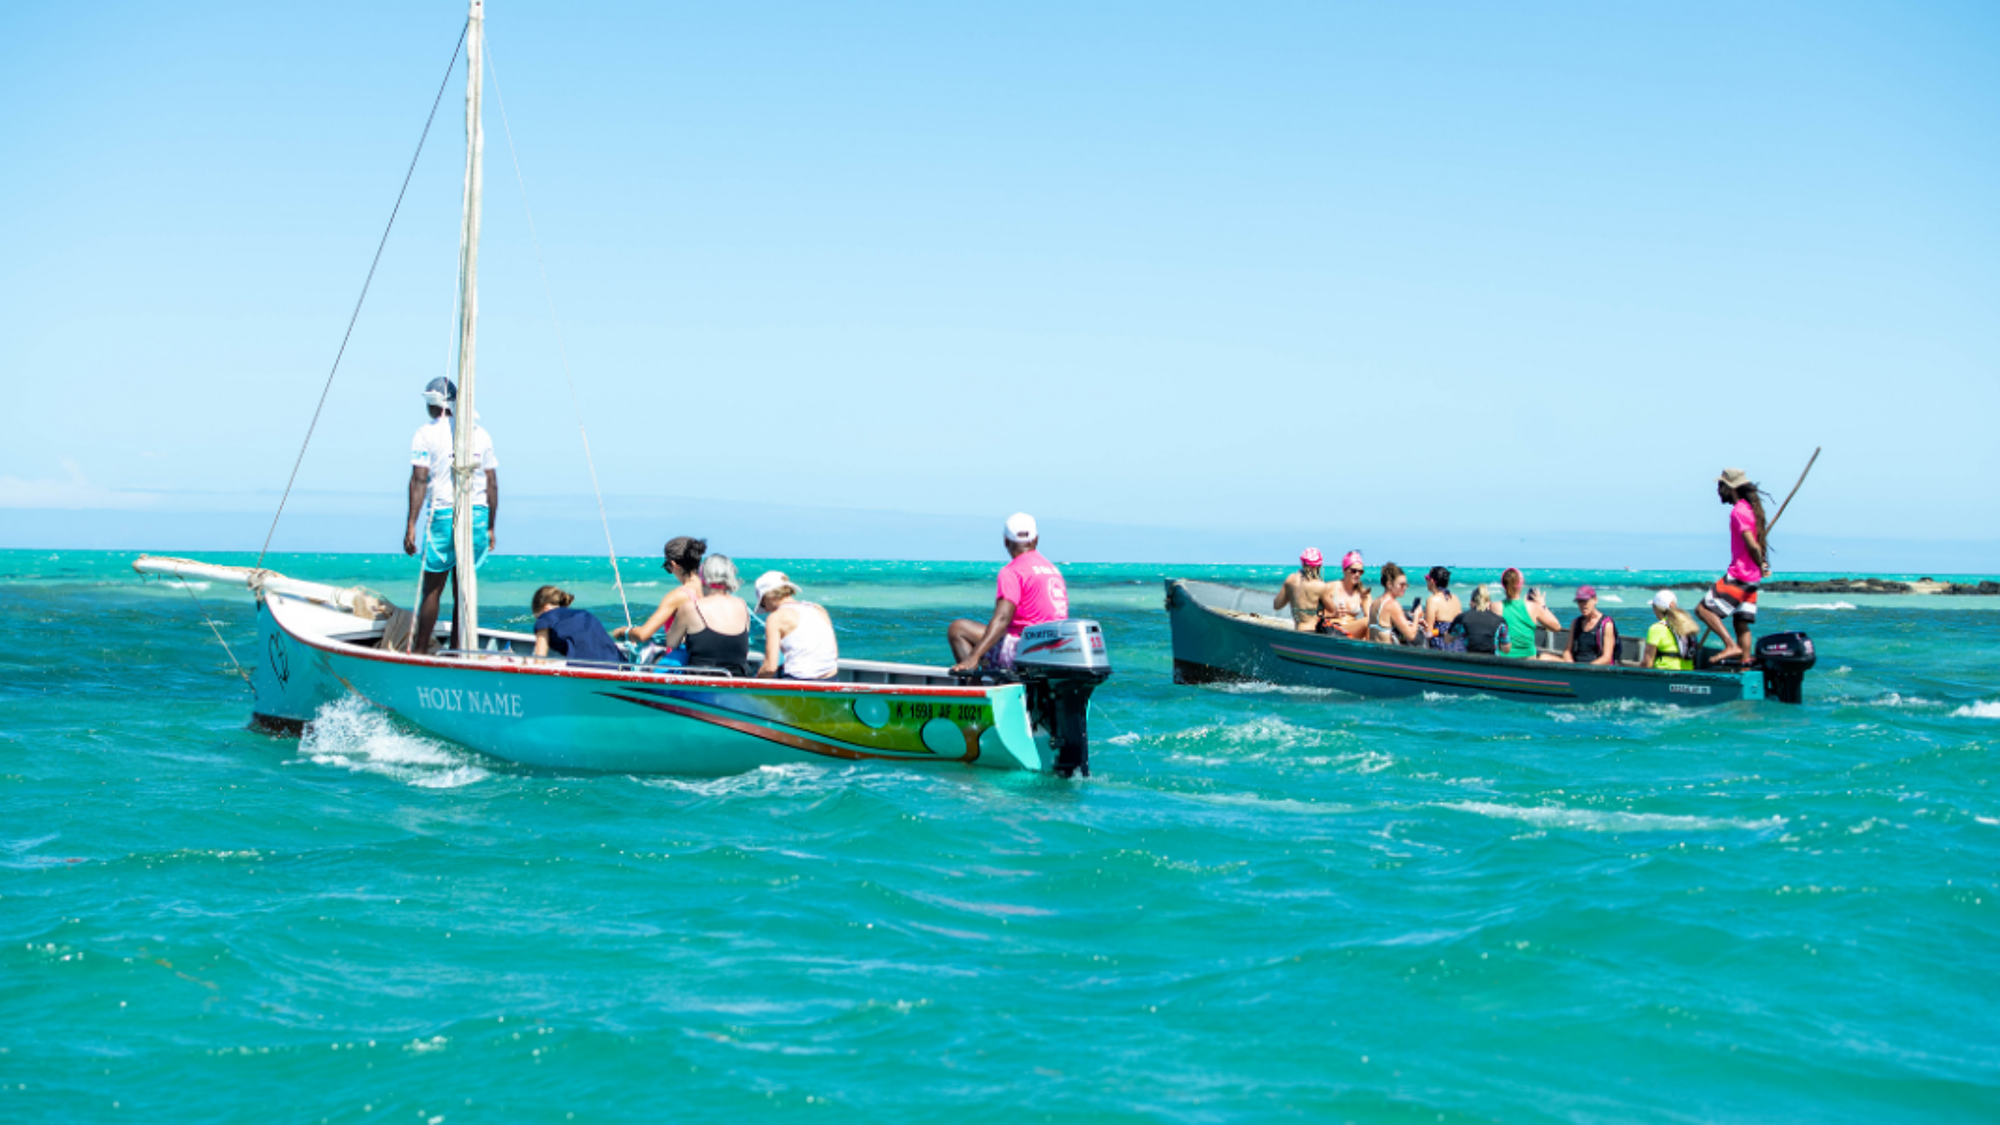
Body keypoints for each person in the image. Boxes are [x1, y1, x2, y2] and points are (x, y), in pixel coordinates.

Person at [401, 377, 498, 652]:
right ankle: (457, 652)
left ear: (433, 403)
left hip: (444, 512)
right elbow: (492, 483)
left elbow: (419, 479)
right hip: (477, 515)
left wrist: (411, 524)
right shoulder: (481, 434)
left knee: (432, 589)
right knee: (462, 590)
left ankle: (419, 652)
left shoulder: (426, 433)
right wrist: (491, 527)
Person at [950, 513, 1070, 672]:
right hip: (1055, 649)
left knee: (958, 629)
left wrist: (973, 657)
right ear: (1036, 539)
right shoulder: (1052, 570)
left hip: (1024, 651)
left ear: (1006, 541)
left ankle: (974, 683)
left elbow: (1002, 619)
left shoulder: (1012, 571)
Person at [1698, 467, 1771, 662]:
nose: (1718, 490)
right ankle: (1745, 664)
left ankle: (1730, 645)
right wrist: (1761, 565)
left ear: (1730, 487)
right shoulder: (1750, 510)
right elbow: (1757, 545)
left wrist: (1760, 562)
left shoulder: (1738, 511)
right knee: (1741, 622)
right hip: (1752, 577)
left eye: (1720, 486)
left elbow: (1752, 544)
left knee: (1703, 610)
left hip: (1740, 574)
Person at [613, 536, 705, 666]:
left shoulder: (678, 596)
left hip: (682, 664)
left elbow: (643, 634)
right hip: (705, 662)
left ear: (674, 565)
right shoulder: (712, 592)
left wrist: (623, 632)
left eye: (668, 567)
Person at [661, 554, 752, 676]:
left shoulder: (690, 607)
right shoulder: (742, 605)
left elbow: (672, 642)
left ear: (702, 577)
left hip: (702, 682)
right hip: (737, 680)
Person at [754, 570, 839, 680]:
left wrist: (755, 682)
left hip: (799, 681)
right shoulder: (819, 609)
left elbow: (770, 668)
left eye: (762, 603)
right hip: (831, 680)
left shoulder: (775, 618)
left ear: (770, 596)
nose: (765, 609)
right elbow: (834, 655)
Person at [530, 586, 622, 666]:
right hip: (619, 665)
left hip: (589, 671)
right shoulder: (583, 615)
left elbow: (539, 661)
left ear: (545, 608)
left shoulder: (545, 617)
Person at [1499, 567, 1564, 659]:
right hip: (1527, 659)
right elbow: (1556, 627)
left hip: (1503, 659)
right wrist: (1542, 605)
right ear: (1521, 584)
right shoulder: (1533, 607)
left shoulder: (1495, 607)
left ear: (1503, 585)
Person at [1316, 551, 1371, 639]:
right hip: (1333, 630)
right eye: (1354, 571)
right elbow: (1314, 614)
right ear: (1345, 570)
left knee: (1370, 621)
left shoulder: (1363, 593)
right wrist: (1333, 613)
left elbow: (1370, 618)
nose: (1357, 574)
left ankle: (1369, 646)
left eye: (1360, 572)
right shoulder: (1330, 587)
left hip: (1352, 631)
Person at [1642, 589, 1701, 671]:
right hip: (1687, 673)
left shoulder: (1656, 628)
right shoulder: (1687, 626)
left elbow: (1647, 663)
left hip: (1664, 674)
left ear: (1656, 608)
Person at [1273, 548, 1330, 632]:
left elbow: (1277, 605)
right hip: (1313, 631)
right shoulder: (1320, 586)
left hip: (1298, 631)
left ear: (1302, 563)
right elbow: (1333, 611)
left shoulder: (1291, 579)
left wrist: (1292, 595)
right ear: (1319, 566)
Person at [1366, 563, 1423, 645]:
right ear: (1389, 584)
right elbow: (1411, 636)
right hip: (1387, 652)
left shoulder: (1375, 602)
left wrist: (1412, 622)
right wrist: (1417, 615)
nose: (1404, 588)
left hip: (1374, 651)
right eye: (1401, 585)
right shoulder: (1392, 605)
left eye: (1406, 585)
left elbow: (1385, 624)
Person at [1562, 585, 1618, 665]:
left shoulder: (1606, 625)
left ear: (1595, 600)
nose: (1583, 605)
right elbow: (1567, 651)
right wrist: (1571, 664)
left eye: (1585, 601)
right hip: (1576, 666)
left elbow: (1607, 658)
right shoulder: (1576, 623)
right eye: (1580, 602)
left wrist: (1586, 668)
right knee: (1545, 657)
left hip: (1596, 668)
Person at [1457, 584, 1509, 655]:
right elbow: (1506, 648)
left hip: (1469, 658)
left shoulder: (1463, 618)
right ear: (1489, 602)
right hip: (1492, 659)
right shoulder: (1500, 621)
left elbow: (1448, 639)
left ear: (1472, 602)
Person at [1419, 566, 1462, 638]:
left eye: (1427, 579)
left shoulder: (1432, 600)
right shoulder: (1455, 598)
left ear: (1432, 581)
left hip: (1440, 642)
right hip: (1456, 641)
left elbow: (1428, 632)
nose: (1427, 582)